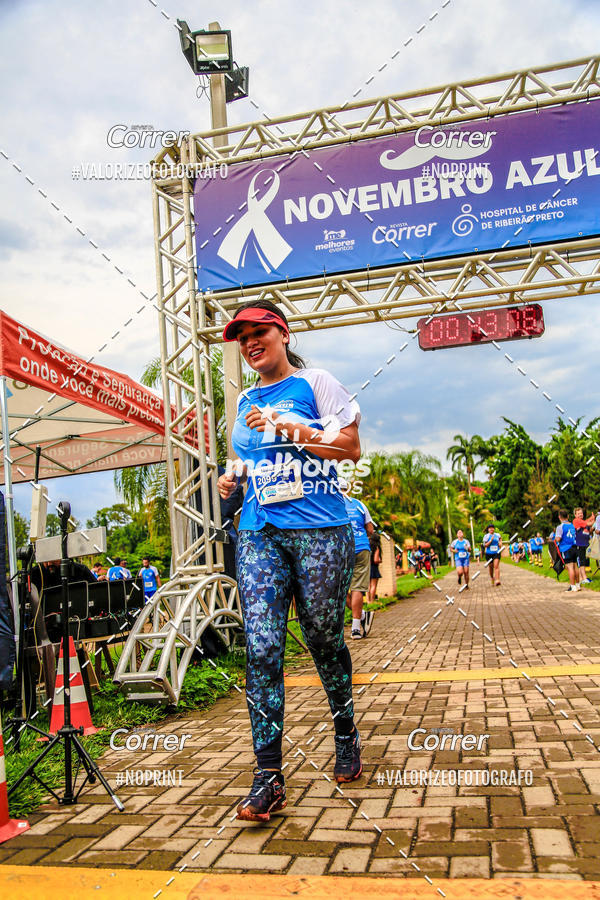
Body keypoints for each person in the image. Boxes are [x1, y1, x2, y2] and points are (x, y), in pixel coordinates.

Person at [217, 299, 363, 822]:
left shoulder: (316, 383)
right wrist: (231, 477)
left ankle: (345, 733)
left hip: (321, 531)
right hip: (260, 534)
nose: (251, 342)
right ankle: (268, 776)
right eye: (242, 336)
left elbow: (350, 448)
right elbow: (246, 457)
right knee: (261, 649)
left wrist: (288, 428)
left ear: (282, 332)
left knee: (323, 637)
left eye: (260, 331)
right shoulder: (242, 403)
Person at [340, 480, 375, 640]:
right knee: (357, 588)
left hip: (340, 550)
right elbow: (370, 529)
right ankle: (358, 624)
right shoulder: (360, 504)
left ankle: (358, 621)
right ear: (349, 488)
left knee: (337, 588)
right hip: (361, 547)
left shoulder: (332, 504)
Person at [555, 510, 579, 592]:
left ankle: (572, 586)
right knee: (576, 566)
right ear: (568, 516)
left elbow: (558, 538)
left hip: (566, 548)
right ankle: (578, 584)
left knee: (570, 567)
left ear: (559, 517)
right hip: (574, 547)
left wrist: (556, 538)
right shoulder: (572, 525)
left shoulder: (560, 527)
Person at [572, 508, 595, 585]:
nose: (580, 515)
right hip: (579, 544)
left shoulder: (583, 521)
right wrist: (593, 519)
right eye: (578, 514)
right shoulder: (576, 521)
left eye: (581, 513)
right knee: (581, 561)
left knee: (583, 561)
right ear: (575, 515)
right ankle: (583, 578)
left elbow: (589, 528)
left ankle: (582, 578)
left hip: (584, 544)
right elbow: (588, 524)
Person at [367, 530, 382, 606]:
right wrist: (380, 560)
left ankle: (368, 601)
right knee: (373, 585)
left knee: (368, 585)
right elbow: (376, 560)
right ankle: (372, 600)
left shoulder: (367, 546)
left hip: (367, 566)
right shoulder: (376, 547)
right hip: (373, 567)